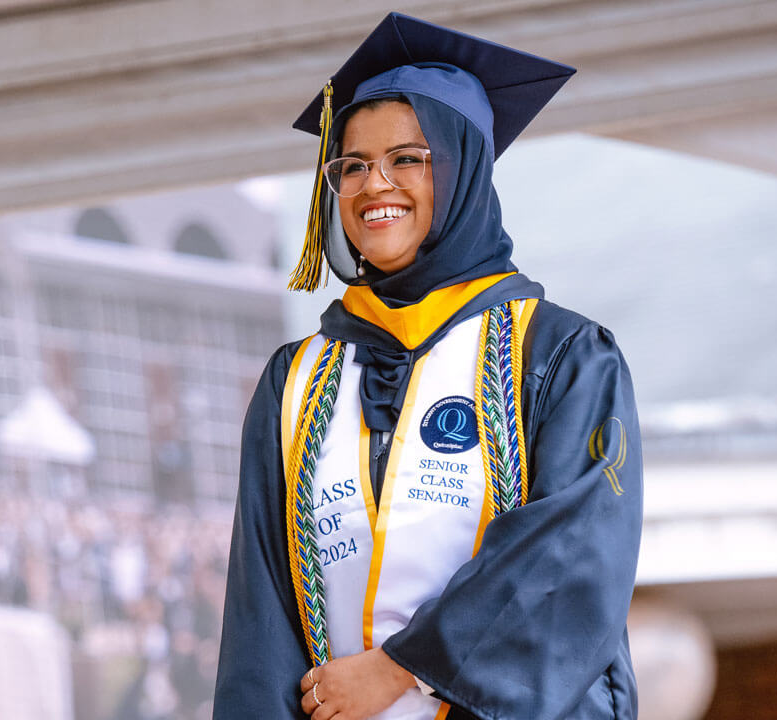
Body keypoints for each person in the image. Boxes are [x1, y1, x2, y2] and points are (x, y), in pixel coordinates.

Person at [213, 13, 642, 720]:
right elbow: (260, 614)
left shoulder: (559, 356)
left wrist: (401, 669)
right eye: (352, 165)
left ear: (465, 167)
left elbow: (572, 560)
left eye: (409, 158)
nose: (374, 184)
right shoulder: (296, 381)